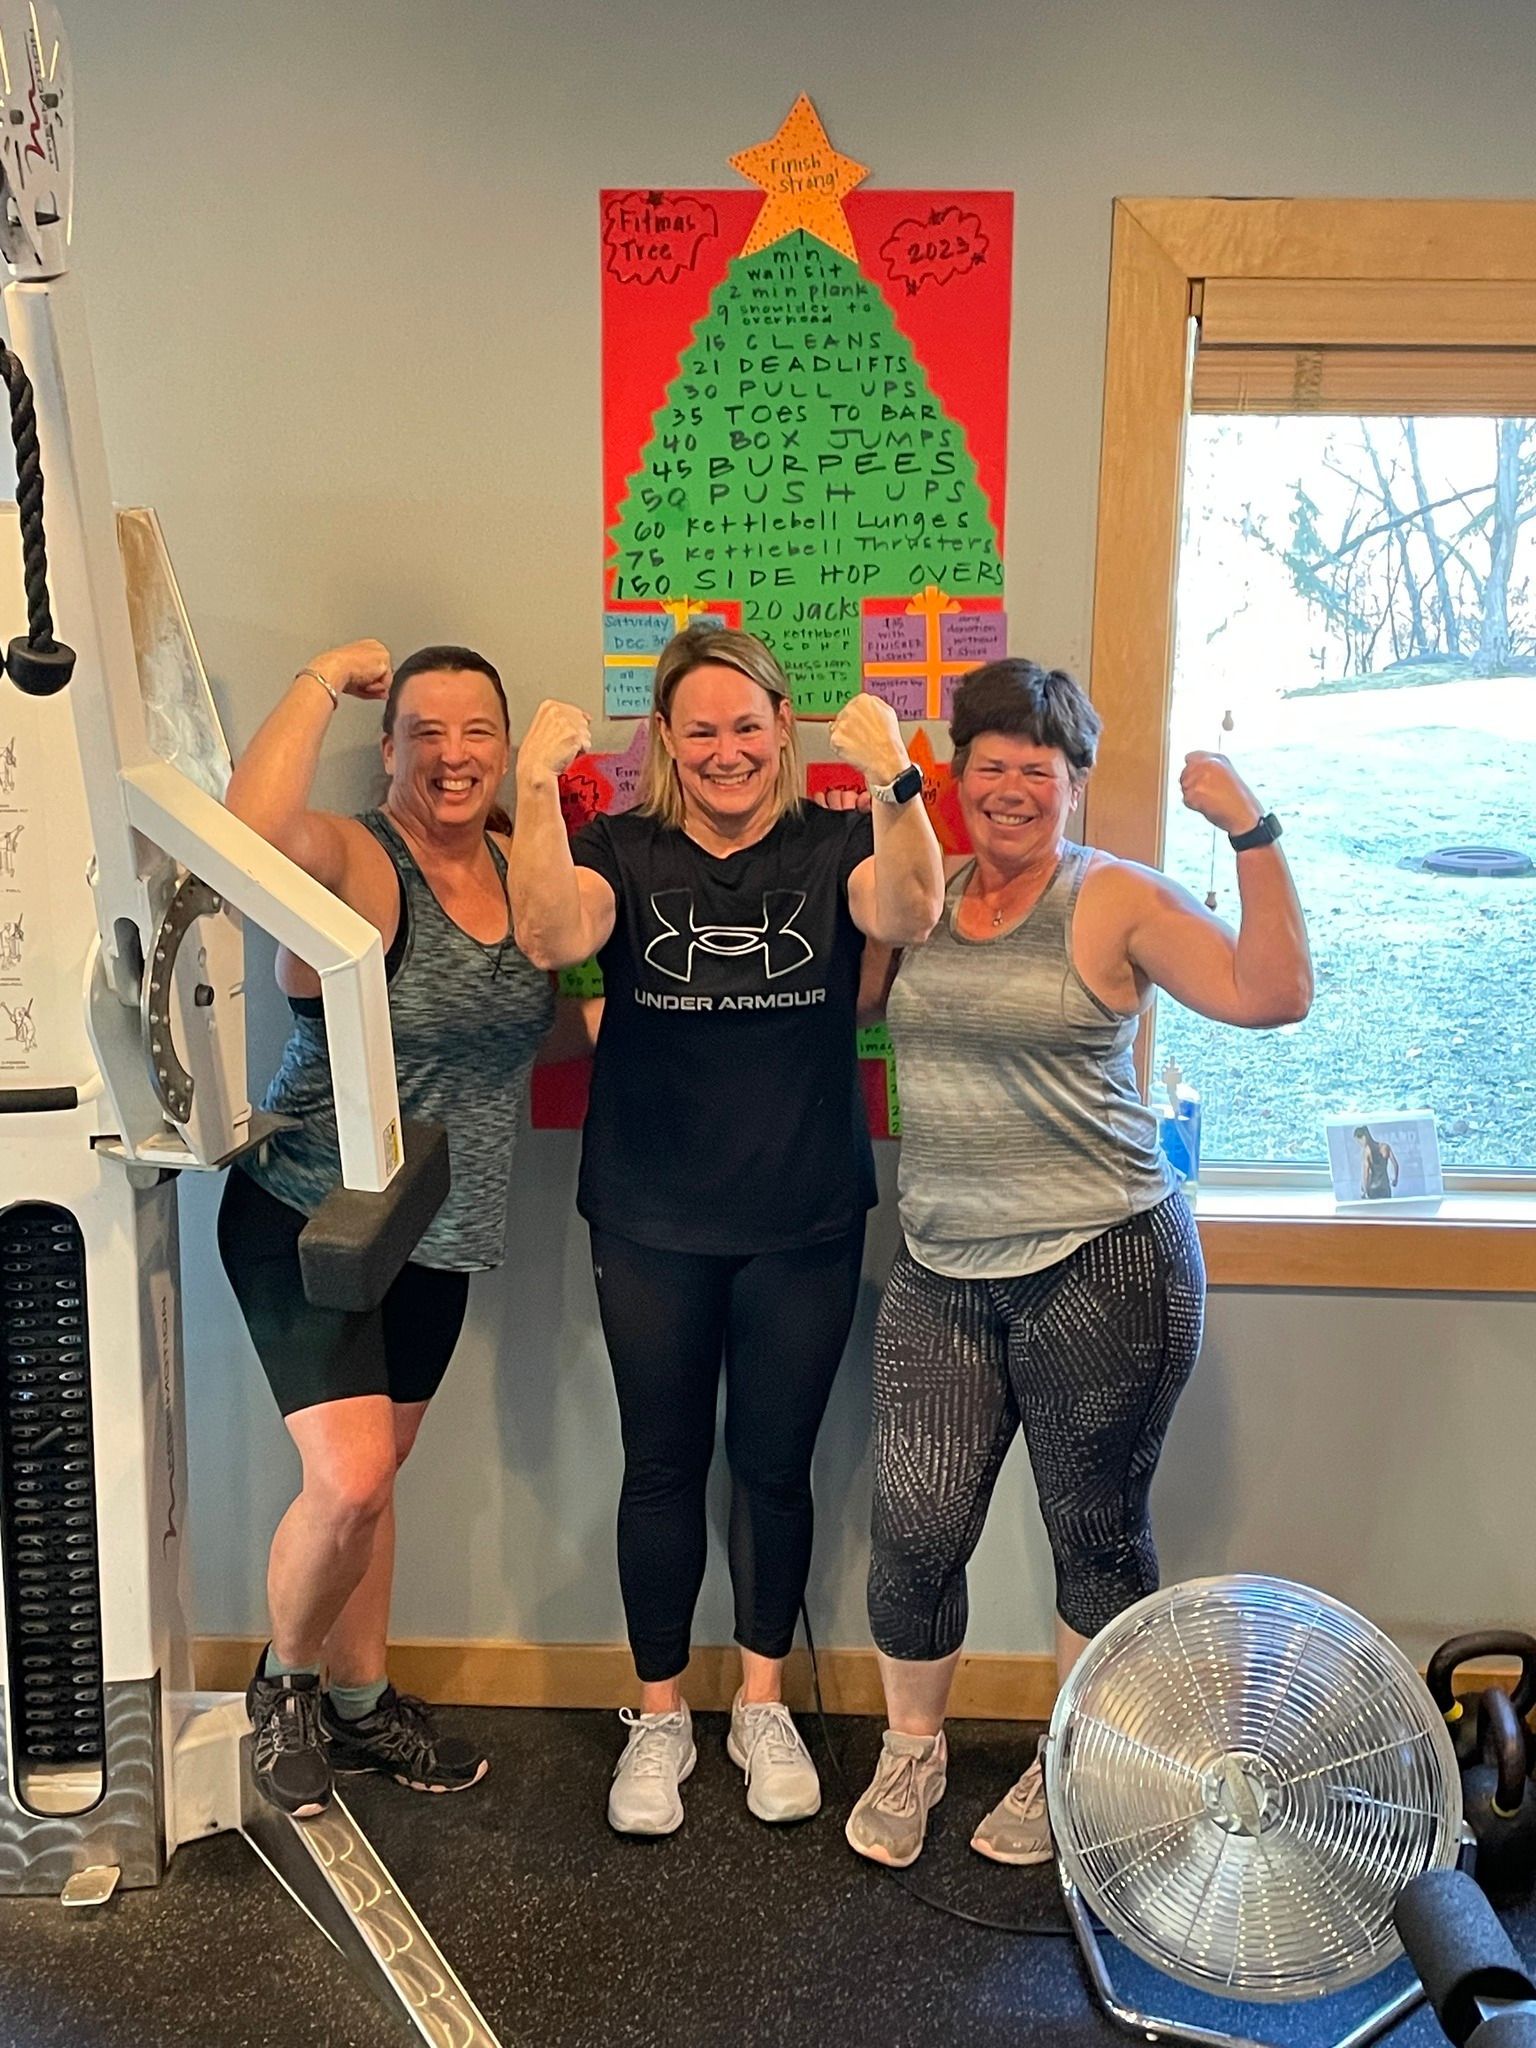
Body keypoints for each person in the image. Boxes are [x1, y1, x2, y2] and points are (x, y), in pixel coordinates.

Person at [843, 658, 1312, 1870]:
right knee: (914, 1526)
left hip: (1103, 1263)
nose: (1009, 790)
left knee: (1094, 1526)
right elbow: (847, 981)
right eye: (986, 766)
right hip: (943, 1266)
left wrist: (1250, 828)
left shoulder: (1112, 898)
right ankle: (914, 1746)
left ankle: (1073, 1756)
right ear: (951, 775)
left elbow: (1272, 992)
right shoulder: (917, 887)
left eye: (1036, 773)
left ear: (1074, 783)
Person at [509, 625, 945, 1836]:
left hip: (803, 1207)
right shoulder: (619, 847)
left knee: (773, 1464)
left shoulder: (839, 839)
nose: (726, 749)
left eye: (747, 725)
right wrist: (537, 791)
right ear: (665, 739)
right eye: (699, 729)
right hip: (650, 1207)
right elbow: (550, 934)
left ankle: (761, 1701)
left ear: (782, 728)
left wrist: (897, 772)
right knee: (660, 1465)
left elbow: (912, 906)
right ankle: (658, 1715)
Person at [220, 639, 562, 1816]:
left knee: (381, 1478)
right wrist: (316, 676)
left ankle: (361, 1706)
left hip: (442, 1225)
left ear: (505, 745)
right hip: (309, 1211)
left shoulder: (529, 868)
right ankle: (284, 1687)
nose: (453, 754)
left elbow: (579, 989)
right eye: (426, 731)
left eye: (477, 731)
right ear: (392, 747)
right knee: (352, 1477)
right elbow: (249, 835)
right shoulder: (363, 860)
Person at [1354, 1125, 1399, 1199]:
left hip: (1373, 1188)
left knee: (1375, 1210)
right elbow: (1395, 1165)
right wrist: (1395, 1179)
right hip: (1385, 1186)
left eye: (1359, 1141)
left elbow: (1366, 1174)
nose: (1359, 1144)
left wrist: (1365, 1190)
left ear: (1362, 1138)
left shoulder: (1366, 1152)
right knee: (1387, 1210)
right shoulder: (1385, 1147)